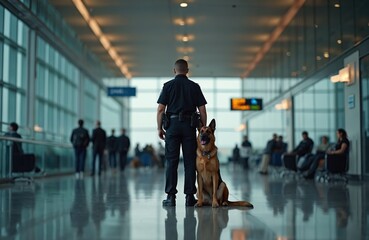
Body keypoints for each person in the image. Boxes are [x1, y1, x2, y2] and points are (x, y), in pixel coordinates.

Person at [157, 59, 207, 207]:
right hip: (189, 127)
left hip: (171, 126)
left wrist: (160, 128)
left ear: (174, 70)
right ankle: (189, 197)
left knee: (171, 162)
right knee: (190, 162)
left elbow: (161, 109)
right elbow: (202, 110)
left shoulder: (168, 86)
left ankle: (171, 197)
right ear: (187, 70)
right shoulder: (194, 87)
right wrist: (202, 128)